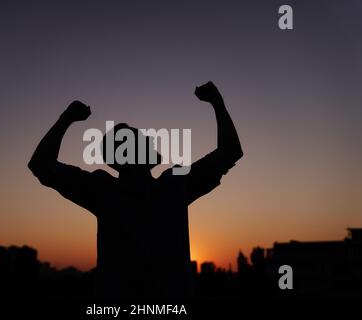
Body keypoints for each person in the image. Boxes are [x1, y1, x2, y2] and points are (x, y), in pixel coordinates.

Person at [28, 81, 243, 299]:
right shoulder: (169, 183)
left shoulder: (109, 188)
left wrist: (67, 119)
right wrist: (217, 102)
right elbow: (229, 152)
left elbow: (41, 165)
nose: (149, 140)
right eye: (140, 139)